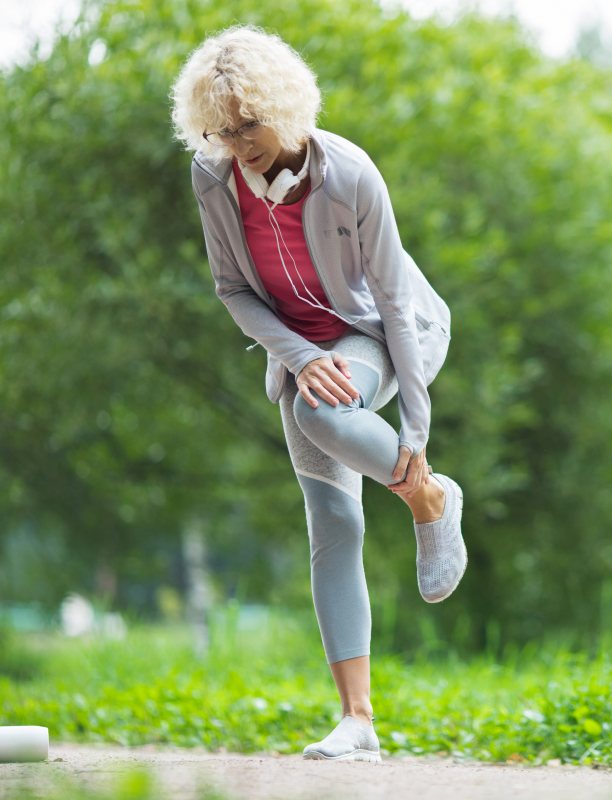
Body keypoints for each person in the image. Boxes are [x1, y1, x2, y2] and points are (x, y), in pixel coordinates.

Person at [170, 25, 466, 762]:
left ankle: (429, 495)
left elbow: (395, 304)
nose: (238, 143)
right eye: (221, 129)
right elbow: (232, 289)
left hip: (376, 335)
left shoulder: (352, 175)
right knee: (332, 523)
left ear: (286, 105)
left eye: (249, 124)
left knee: (321, 407)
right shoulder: (214, 179)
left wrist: (418, 439)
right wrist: (300, 355)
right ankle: (357, 721)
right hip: (300, 352)